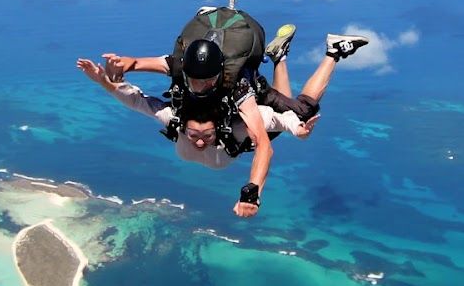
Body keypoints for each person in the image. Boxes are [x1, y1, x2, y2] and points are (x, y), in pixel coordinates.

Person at [77, 27, 367, 217]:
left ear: (220, 127)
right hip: (242, 133)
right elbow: (135, 98)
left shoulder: (238, 118)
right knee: (284, 115)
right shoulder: (175, 108)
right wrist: (105, 78)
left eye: (205, 136)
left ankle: (333, 53)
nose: (199, 141)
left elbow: (271, 129)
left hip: (252, 116)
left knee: (301, 110)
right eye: (194, 135)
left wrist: (253, 192)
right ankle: (279, 57)